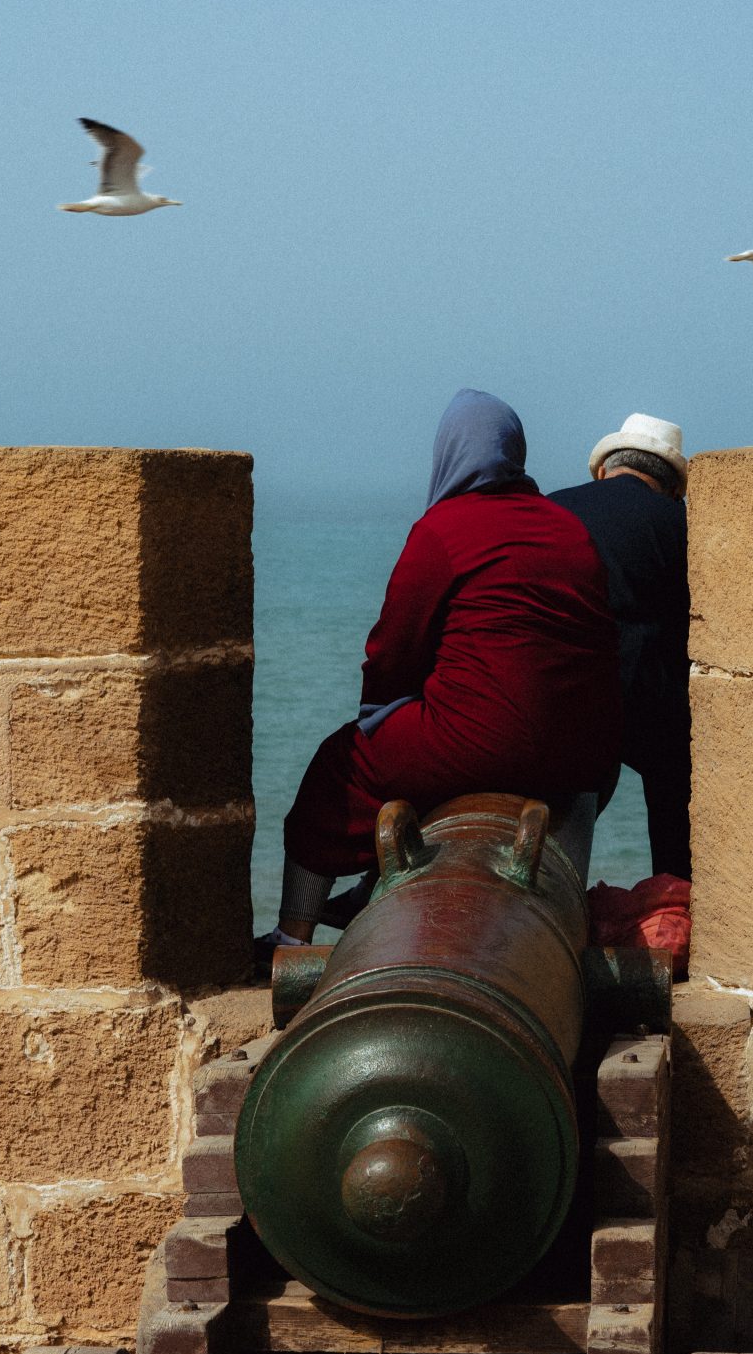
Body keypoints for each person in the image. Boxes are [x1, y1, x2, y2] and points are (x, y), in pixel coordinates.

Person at [257, 389, 622, 963]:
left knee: (338, 768)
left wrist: (380, 715)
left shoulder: (444, 531)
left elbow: (392, 649)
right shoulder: (568, 529)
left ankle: (291, 938)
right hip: (581, 757)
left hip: (480, 742)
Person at [549, 413, 691, 880]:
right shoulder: (680, 522)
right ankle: (675, 893)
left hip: (565, 689)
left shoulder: (553, 510)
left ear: (604, 469)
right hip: (651, 696)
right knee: (677, 783)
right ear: (670, 486)